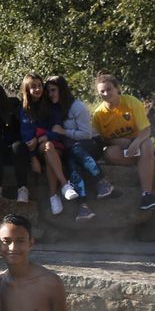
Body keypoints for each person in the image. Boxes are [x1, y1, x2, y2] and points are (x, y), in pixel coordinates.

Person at [47, 75, 112, 222]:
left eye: (53, 90)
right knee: (71, 162)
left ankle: (102, 181)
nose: (50, 94)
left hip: (91, 144)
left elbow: (87, 134)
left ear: (62, 90)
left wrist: (64, 132)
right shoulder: (55, 109)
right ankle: (83, 207)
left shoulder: (76, 106)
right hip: (72, 149)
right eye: (49, 92)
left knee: (75, 151)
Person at [92, 73, 155, 210]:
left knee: (146, 144)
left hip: (139, 141)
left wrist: (135, 143)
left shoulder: (131, 102)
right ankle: (152, 158)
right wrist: (118, 142)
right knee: (110, 155)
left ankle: (147, 195)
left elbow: (146, 130)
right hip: (121, 148)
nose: (106, 93)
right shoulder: (98, 115)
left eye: (109, 89)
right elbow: (101, 140)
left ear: (117, 88)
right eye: (102, 91)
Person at [19, 73, 77, 216]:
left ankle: (53, 196)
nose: (38, 89)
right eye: (33, 87)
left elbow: (57, 130)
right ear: (27, 89)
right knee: (48, 148)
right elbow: (26, 133)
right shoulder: (24, 109)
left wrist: (45, 136)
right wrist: (32, 157)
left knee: (50, 150)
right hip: (38, 147)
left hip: (55, 145)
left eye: (40, 86)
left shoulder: (51, 106)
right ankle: (64, 185)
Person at [0, 80, 31, 202]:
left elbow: (24, 125)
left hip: (18, 149)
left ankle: (22, 189)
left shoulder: (13, 103)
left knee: (18, 146)